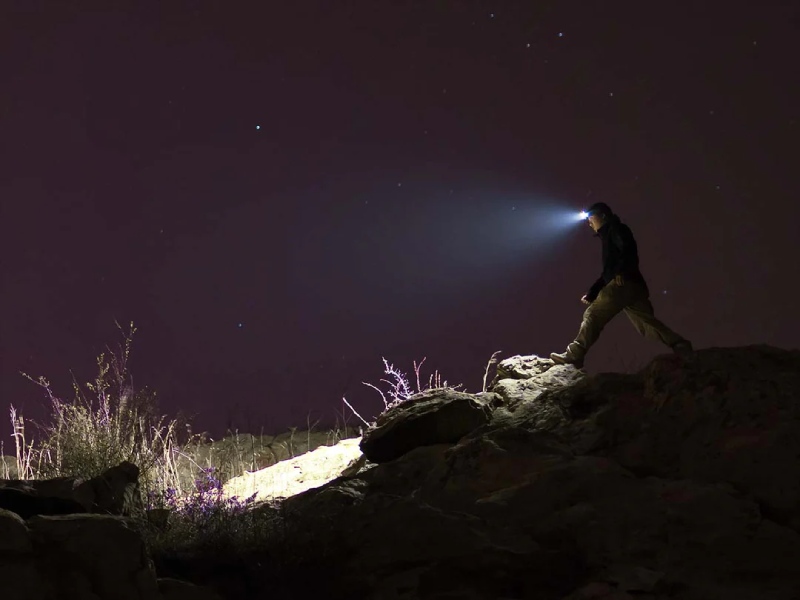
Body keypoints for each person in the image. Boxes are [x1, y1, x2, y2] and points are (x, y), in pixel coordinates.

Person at [550, 202, 693, 369]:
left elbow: (628, 250)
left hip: (623, 284)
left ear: (603, 216)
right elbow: (608, 272)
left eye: (591, 218)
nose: (589, 223)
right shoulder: (609, 235)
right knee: (646, 324)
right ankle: (680, 345)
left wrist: (622, 272)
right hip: (634, 286)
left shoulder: (616, 229)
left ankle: (574, 355)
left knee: (593, 315)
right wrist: (593, 292)